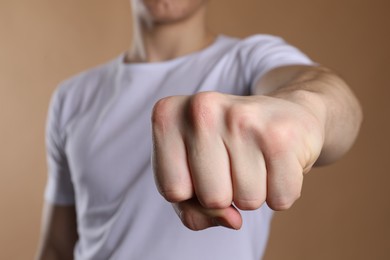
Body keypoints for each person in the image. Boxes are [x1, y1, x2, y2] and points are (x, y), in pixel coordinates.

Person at [36, 0, 363, 259]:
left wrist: (307, 110)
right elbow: (57, 248)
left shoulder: (249, 60)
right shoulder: (72, 97)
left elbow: (330, 96)